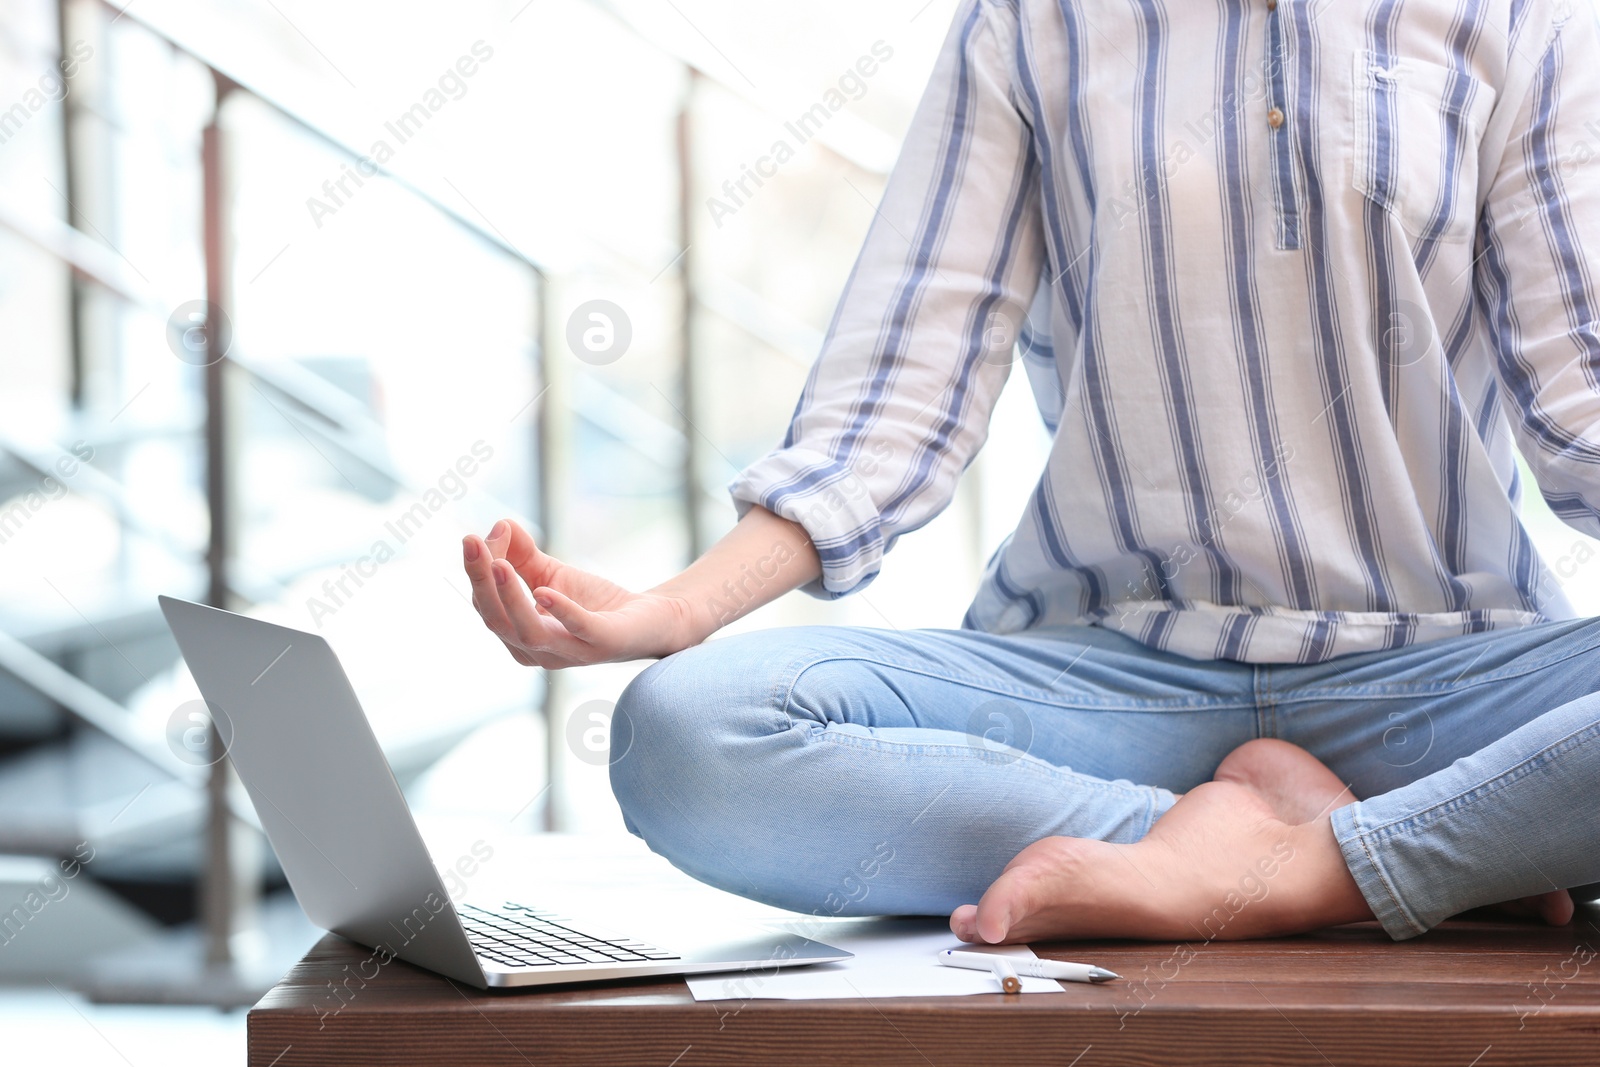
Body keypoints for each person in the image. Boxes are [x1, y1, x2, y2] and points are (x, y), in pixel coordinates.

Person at [463, 0, 1600, 944]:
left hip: (1444, 681)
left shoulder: (1522, 21)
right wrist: (674, 608)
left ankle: (1291, 867)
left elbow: (1579, 405)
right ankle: (1353, 845)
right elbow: (898, 392)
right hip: (1106, 680)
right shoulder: (1033, 20)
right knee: (689, 734)